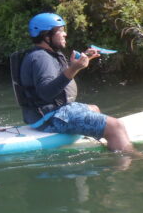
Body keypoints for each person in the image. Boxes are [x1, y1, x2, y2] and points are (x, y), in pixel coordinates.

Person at [10, 12, 132, 152]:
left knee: (94, 109)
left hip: (50, 113)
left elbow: (58, 79)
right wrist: (74, 68)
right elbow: (46, 93)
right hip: (50, 117)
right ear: (46, 35)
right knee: (116, 127)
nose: (65, 34)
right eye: (60, 30)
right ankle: (131, 158)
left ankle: (111, 143)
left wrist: (80, 61)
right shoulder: (41, 58)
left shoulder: (46, 54)